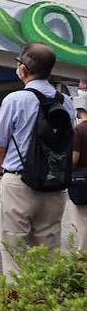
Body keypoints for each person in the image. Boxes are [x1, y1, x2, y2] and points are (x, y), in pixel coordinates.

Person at [0, 42, 76, 278]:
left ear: (23, 68)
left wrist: (1, 174)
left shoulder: (15, 99)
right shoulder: (66, 101)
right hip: (54, 184)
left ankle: (17, 309)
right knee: (48, 256)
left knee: (14, 254)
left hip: (19, 183)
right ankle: (43, 308)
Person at [69, 94, 87, 250]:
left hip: (82, 182)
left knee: (82, 223)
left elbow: (73, 159)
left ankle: (82, 265)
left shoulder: (79, 130)